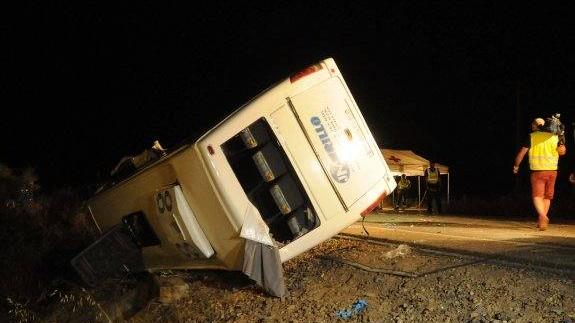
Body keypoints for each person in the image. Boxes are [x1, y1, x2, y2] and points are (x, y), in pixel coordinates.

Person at [513, 118, 567, 231]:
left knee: (537, 196)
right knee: (547, 197)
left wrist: (516, 166)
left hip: (537, 171)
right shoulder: (555, 137)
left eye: (533, 124)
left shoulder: (532, 137)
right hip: (552, 171)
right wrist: (562, 141)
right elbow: (562, 152)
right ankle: (542, 222)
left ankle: (543, 216)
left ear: (536, 126)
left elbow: (521, 154)